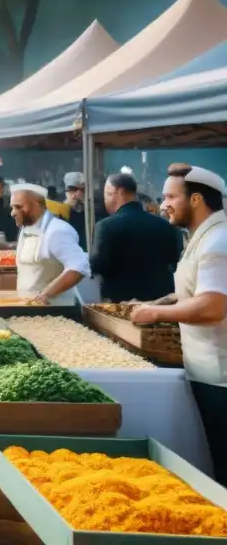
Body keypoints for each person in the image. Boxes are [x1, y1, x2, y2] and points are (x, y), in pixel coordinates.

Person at [131, 165, 227, 484]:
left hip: (221, 378)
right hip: (207, 371)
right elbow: (196, 289)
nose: (162, 204)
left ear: (197, 199)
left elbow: (213, 305)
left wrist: (155, 315)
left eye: (171, 196)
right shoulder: (203, 238)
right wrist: (163, 301)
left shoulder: (218, 242)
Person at [91, 172, 183, 303]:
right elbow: (177, 262)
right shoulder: (166, 226)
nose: (104, 199)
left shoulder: (105, 226)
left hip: (121, 306)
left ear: (120, 192)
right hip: (162, 304)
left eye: (106, 193)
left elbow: (97, 266)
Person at [10, 183, 90, 306]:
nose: (13, 213)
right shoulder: (25, 229)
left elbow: (79, 266)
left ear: (37, 205)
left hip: (55, 310)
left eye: (18, 207)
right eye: (12, 208)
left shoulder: (57, 230)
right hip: (28, 307)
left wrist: (45, 294)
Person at [63, 171, 89, 249]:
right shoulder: (61, 212)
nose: (78, 193)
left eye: (82, 190)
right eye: (73, 189)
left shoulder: (88, 212)